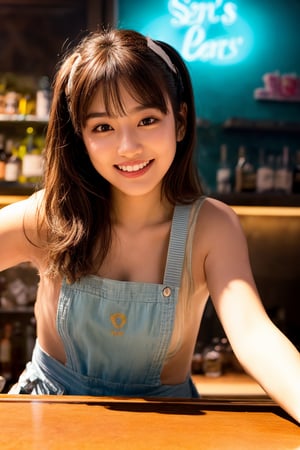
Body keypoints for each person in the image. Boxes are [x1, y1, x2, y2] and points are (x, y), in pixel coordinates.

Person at [0, 28, 299, 423]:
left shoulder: (211, 226)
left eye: (147, 120)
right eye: (103, 127)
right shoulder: (49, 217)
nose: (128, 147)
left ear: (179, 121)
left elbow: (254, 334)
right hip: (47, 419)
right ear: (81, 138)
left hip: (168, 425)